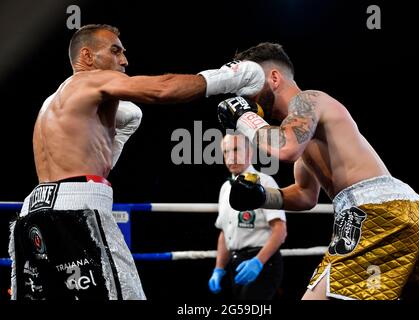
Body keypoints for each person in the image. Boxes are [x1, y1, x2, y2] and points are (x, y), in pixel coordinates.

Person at [8, 24, 265, 300]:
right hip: (77, 215)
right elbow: (161, 89)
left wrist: (111, 142)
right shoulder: (91, 80)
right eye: (115, 51)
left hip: (32, 217)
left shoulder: (52, 103)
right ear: (87, 56)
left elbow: (83, 163)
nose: (124, 60)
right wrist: (227, 78)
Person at [216, 42, 419, 300]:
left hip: (374, 213)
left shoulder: (308, 100)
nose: (246, 96)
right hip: (405, 211)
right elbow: (306, 196)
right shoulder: (303, 133)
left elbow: (286, 147)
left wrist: (243, 118)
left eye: (249, 84)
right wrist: (261, 196)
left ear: (273, 77)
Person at [208, 134, 287, 300]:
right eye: (226, 151)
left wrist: (258, 262)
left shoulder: (264, 182)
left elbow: (280, 230)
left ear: (250, 152)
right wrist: (219, 268)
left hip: (264, 261)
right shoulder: (225, 188)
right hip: (236, 263)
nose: (230, 156)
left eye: (236, 149)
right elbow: (224, 232)